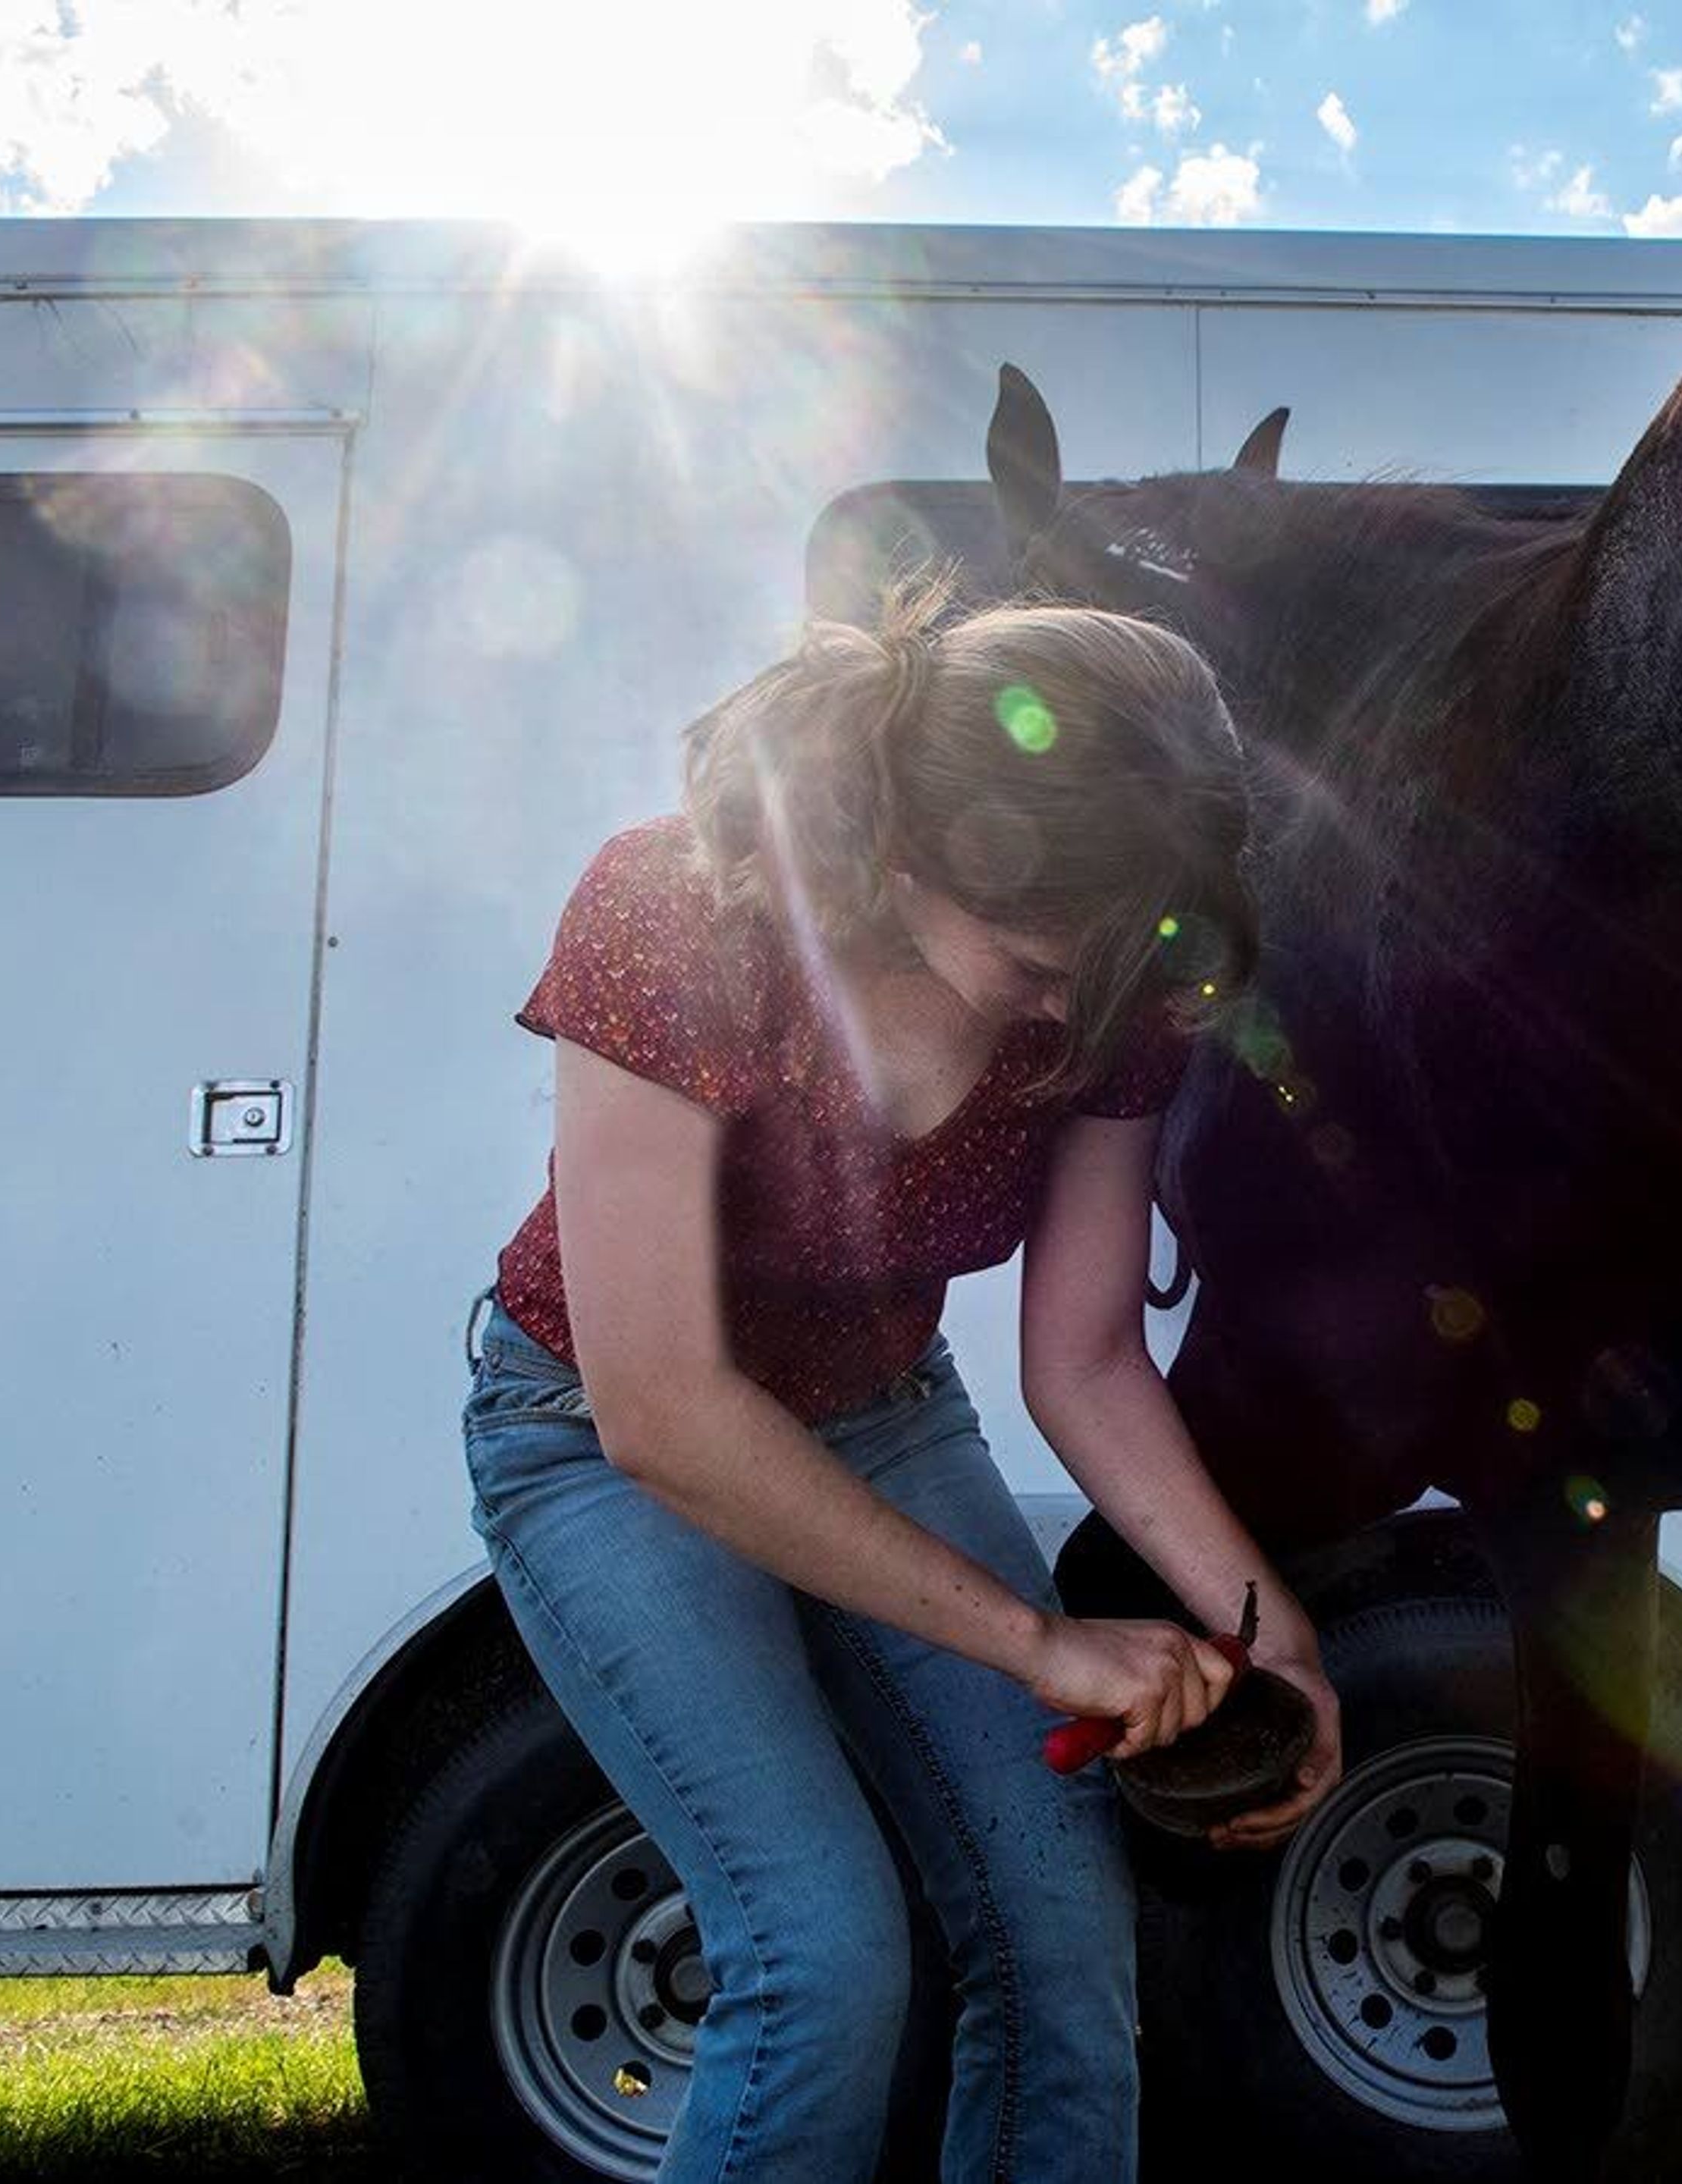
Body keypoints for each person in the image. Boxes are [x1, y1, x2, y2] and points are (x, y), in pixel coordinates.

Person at [460, 574, 1344, 2184]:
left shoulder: (1112, 989)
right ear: (916, 850)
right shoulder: (678, 914)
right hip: (594, 1432)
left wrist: (1270, 1635)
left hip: (878, 1413)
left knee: (1066, 1931)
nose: (1077, 1014)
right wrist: (1037, 1644)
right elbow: (660, 1410)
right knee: (821, 1956)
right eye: (1034, 963)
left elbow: (1081, 1357)